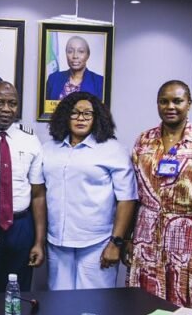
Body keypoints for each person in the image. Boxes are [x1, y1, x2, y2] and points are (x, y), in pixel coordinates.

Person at [127, 80, 192, 311]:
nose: (170, 106)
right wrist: (127, 239)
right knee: (145, 305)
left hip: (191, 238)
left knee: (187, 306)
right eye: (164, 101)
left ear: (189, 103)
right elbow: (134, 191)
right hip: (147, 235)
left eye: (177, 101)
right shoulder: (144, 140)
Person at [42, 92, 137, 290]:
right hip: (58, 242)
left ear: (97, 118)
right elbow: (40, 193)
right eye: (75, 113)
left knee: (95, 306)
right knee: (58, 304)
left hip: (98, 243)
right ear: (65, 117)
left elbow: (127, 199)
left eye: (87, 114)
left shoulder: (113, 149)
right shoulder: (49, 148)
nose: (81, 118)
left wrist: (116, 243)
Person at [0, 82, 45, 292]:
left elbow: (38, 194)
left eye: (12, 103)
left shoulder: (30, 139)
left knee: (16, 294)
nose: (6, 109)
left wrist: (39, 241)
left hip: (21, 227)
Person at [45, 36, 105, 101]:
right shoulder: (53, 79)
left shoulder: (99, 82)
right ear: (66, 54)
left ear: (88, 55)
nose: (75, 56)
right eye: (70, 51)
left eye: (81, 51)